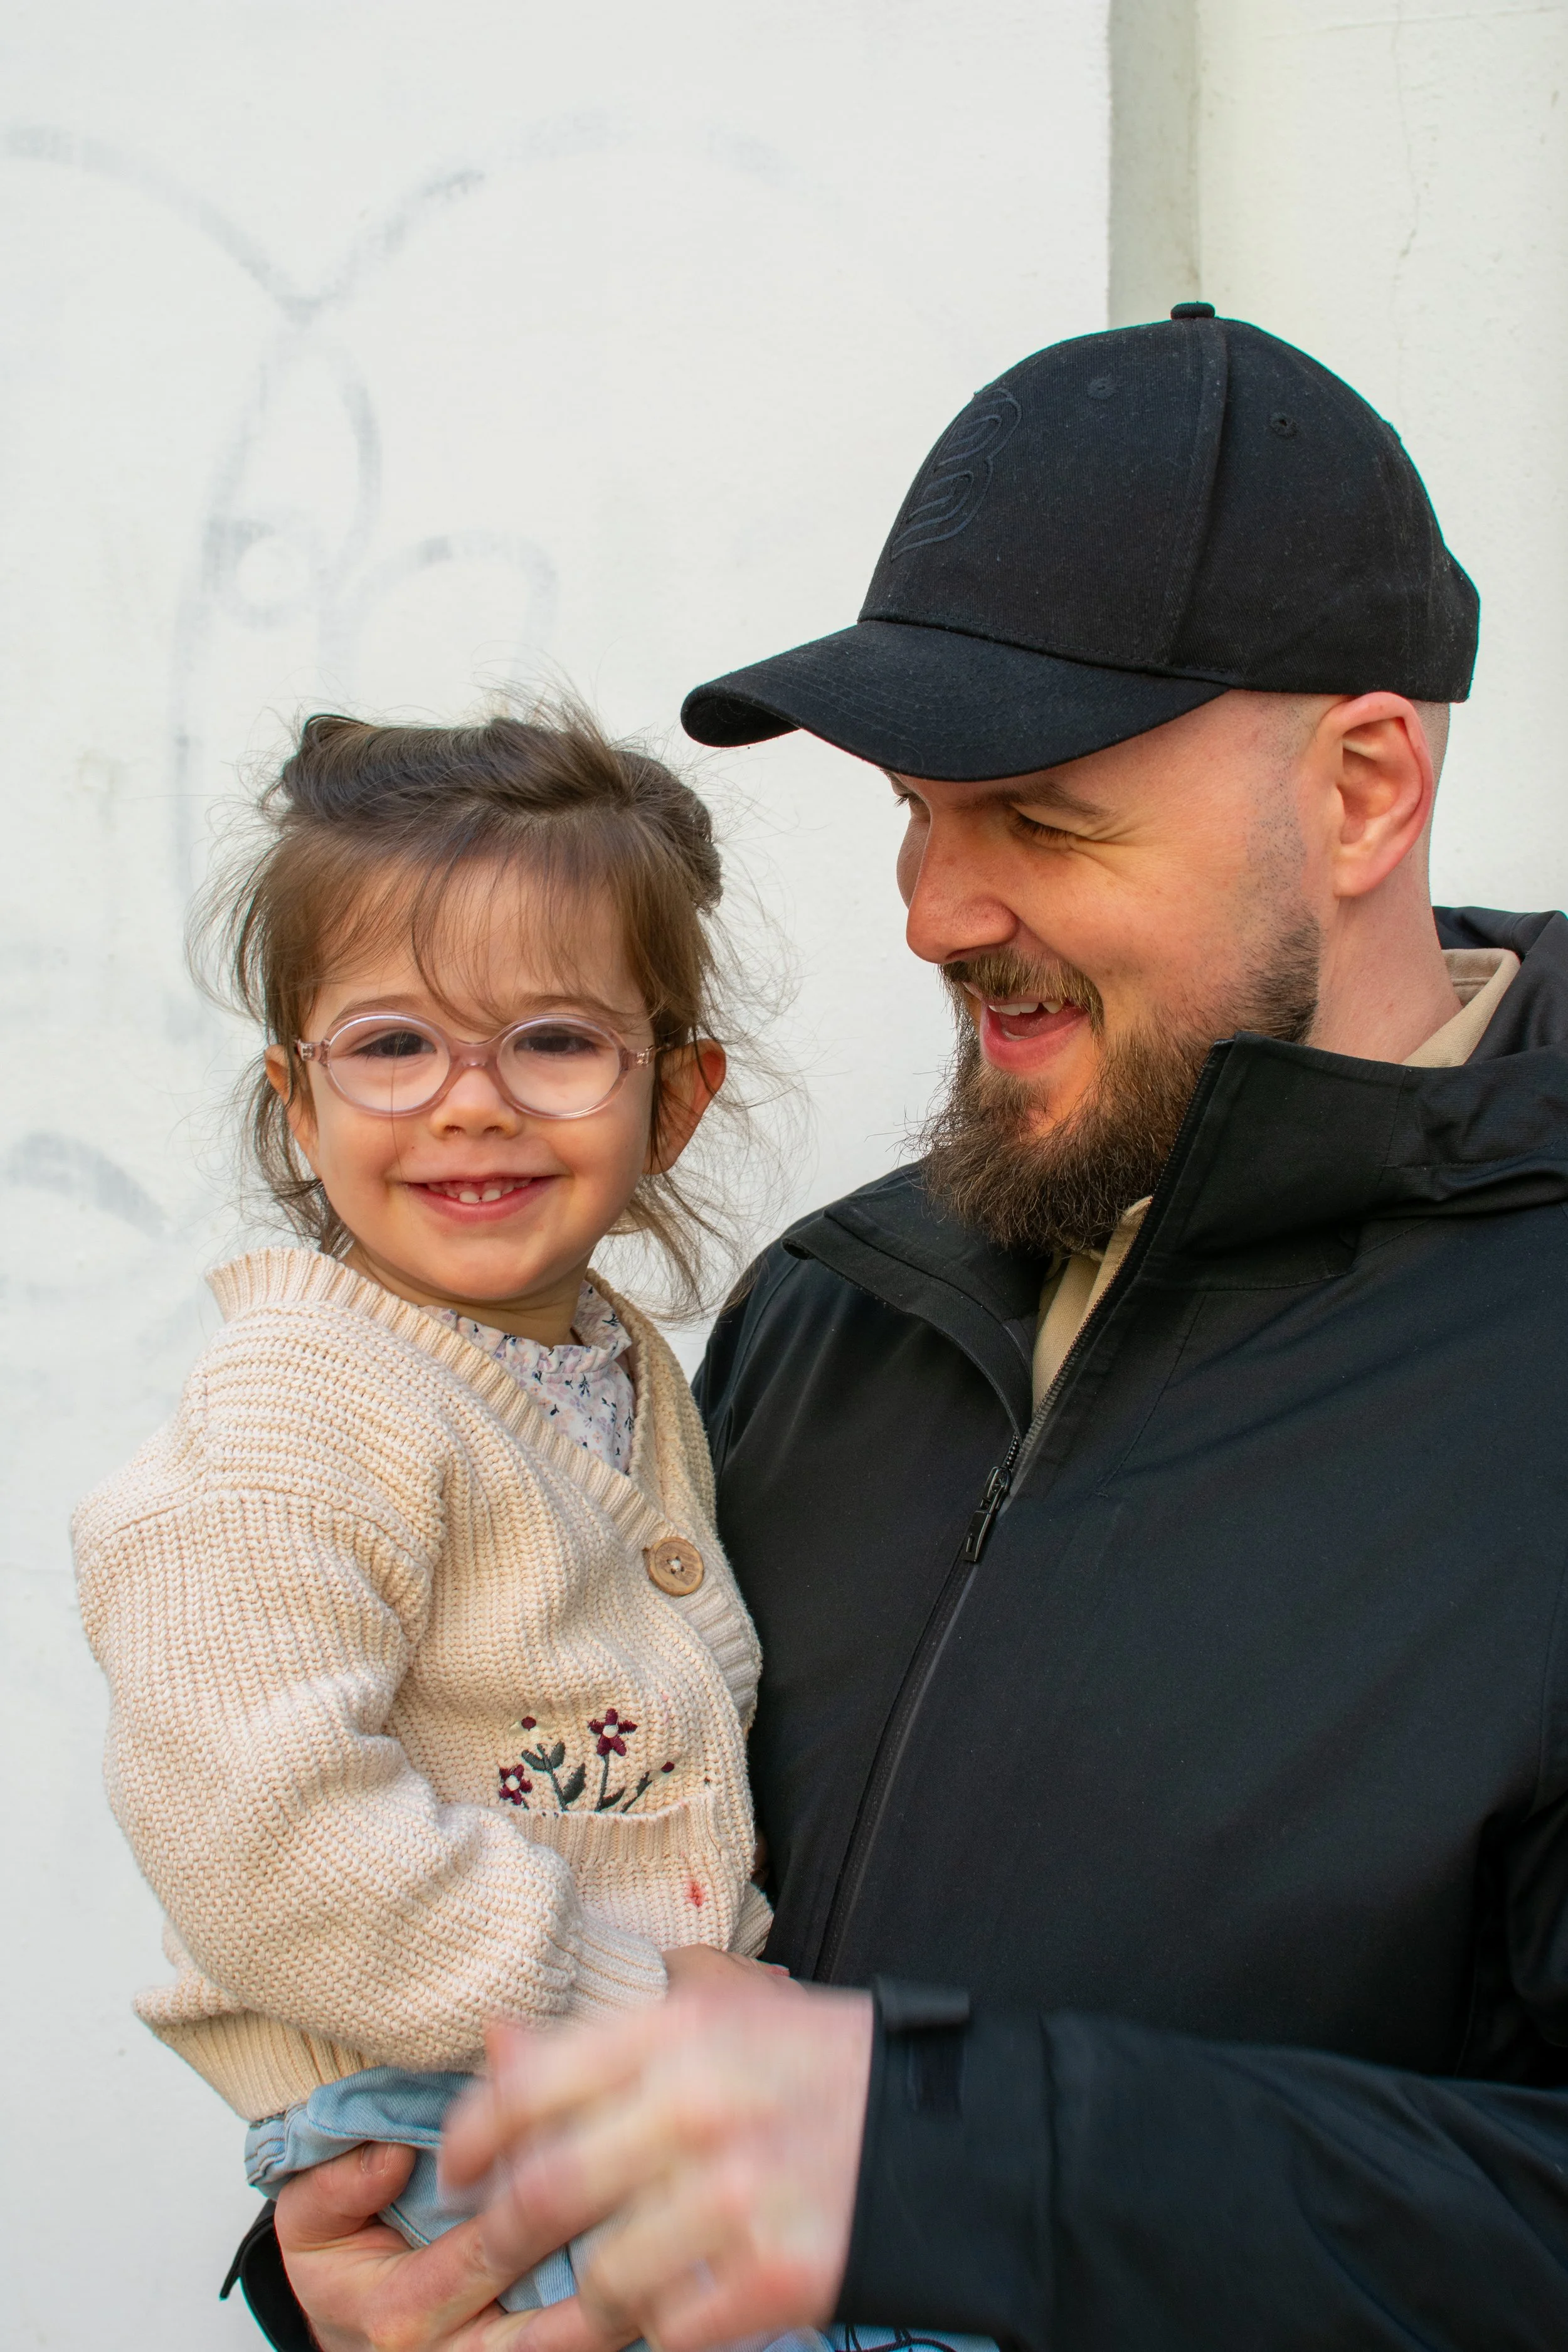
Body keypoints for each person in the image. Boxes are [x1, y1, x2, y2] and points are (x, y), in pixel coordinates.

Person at [253, 310, 1568, 2351]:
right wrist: (392, 2249)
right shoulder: (833, 1305)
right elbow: (578, 1859)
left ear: (1362, 789)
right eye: (914, 809)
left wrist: (945, 2155)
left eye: (1037, 815)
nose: (932, 910)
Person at [75, 709, 778, 2309]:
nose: (470, 1103)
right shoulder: (297, 1406)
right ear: (297, 1101)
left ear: (674, 1097)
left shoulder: (612, 1371)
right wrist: (630, 2008)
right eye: (392, 1047)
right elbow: (259, 1837)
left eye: (554, 1041)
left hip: (597, 2077)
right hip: (451, 2091)